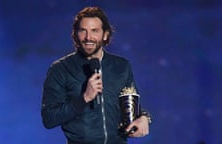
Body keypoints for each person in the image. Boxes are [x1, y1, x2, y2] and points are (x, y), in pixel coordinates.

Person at [41, 6, 151, 144]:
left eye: (95, 31)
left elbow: (131, 105)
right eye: (83, 31)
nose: (88, 37)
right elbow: (49, 119)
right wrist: (84, 98)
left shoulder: (121, 66)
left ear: (105, 34)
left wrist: (145, 118)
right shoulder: (60, 69)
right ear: (75, 34)